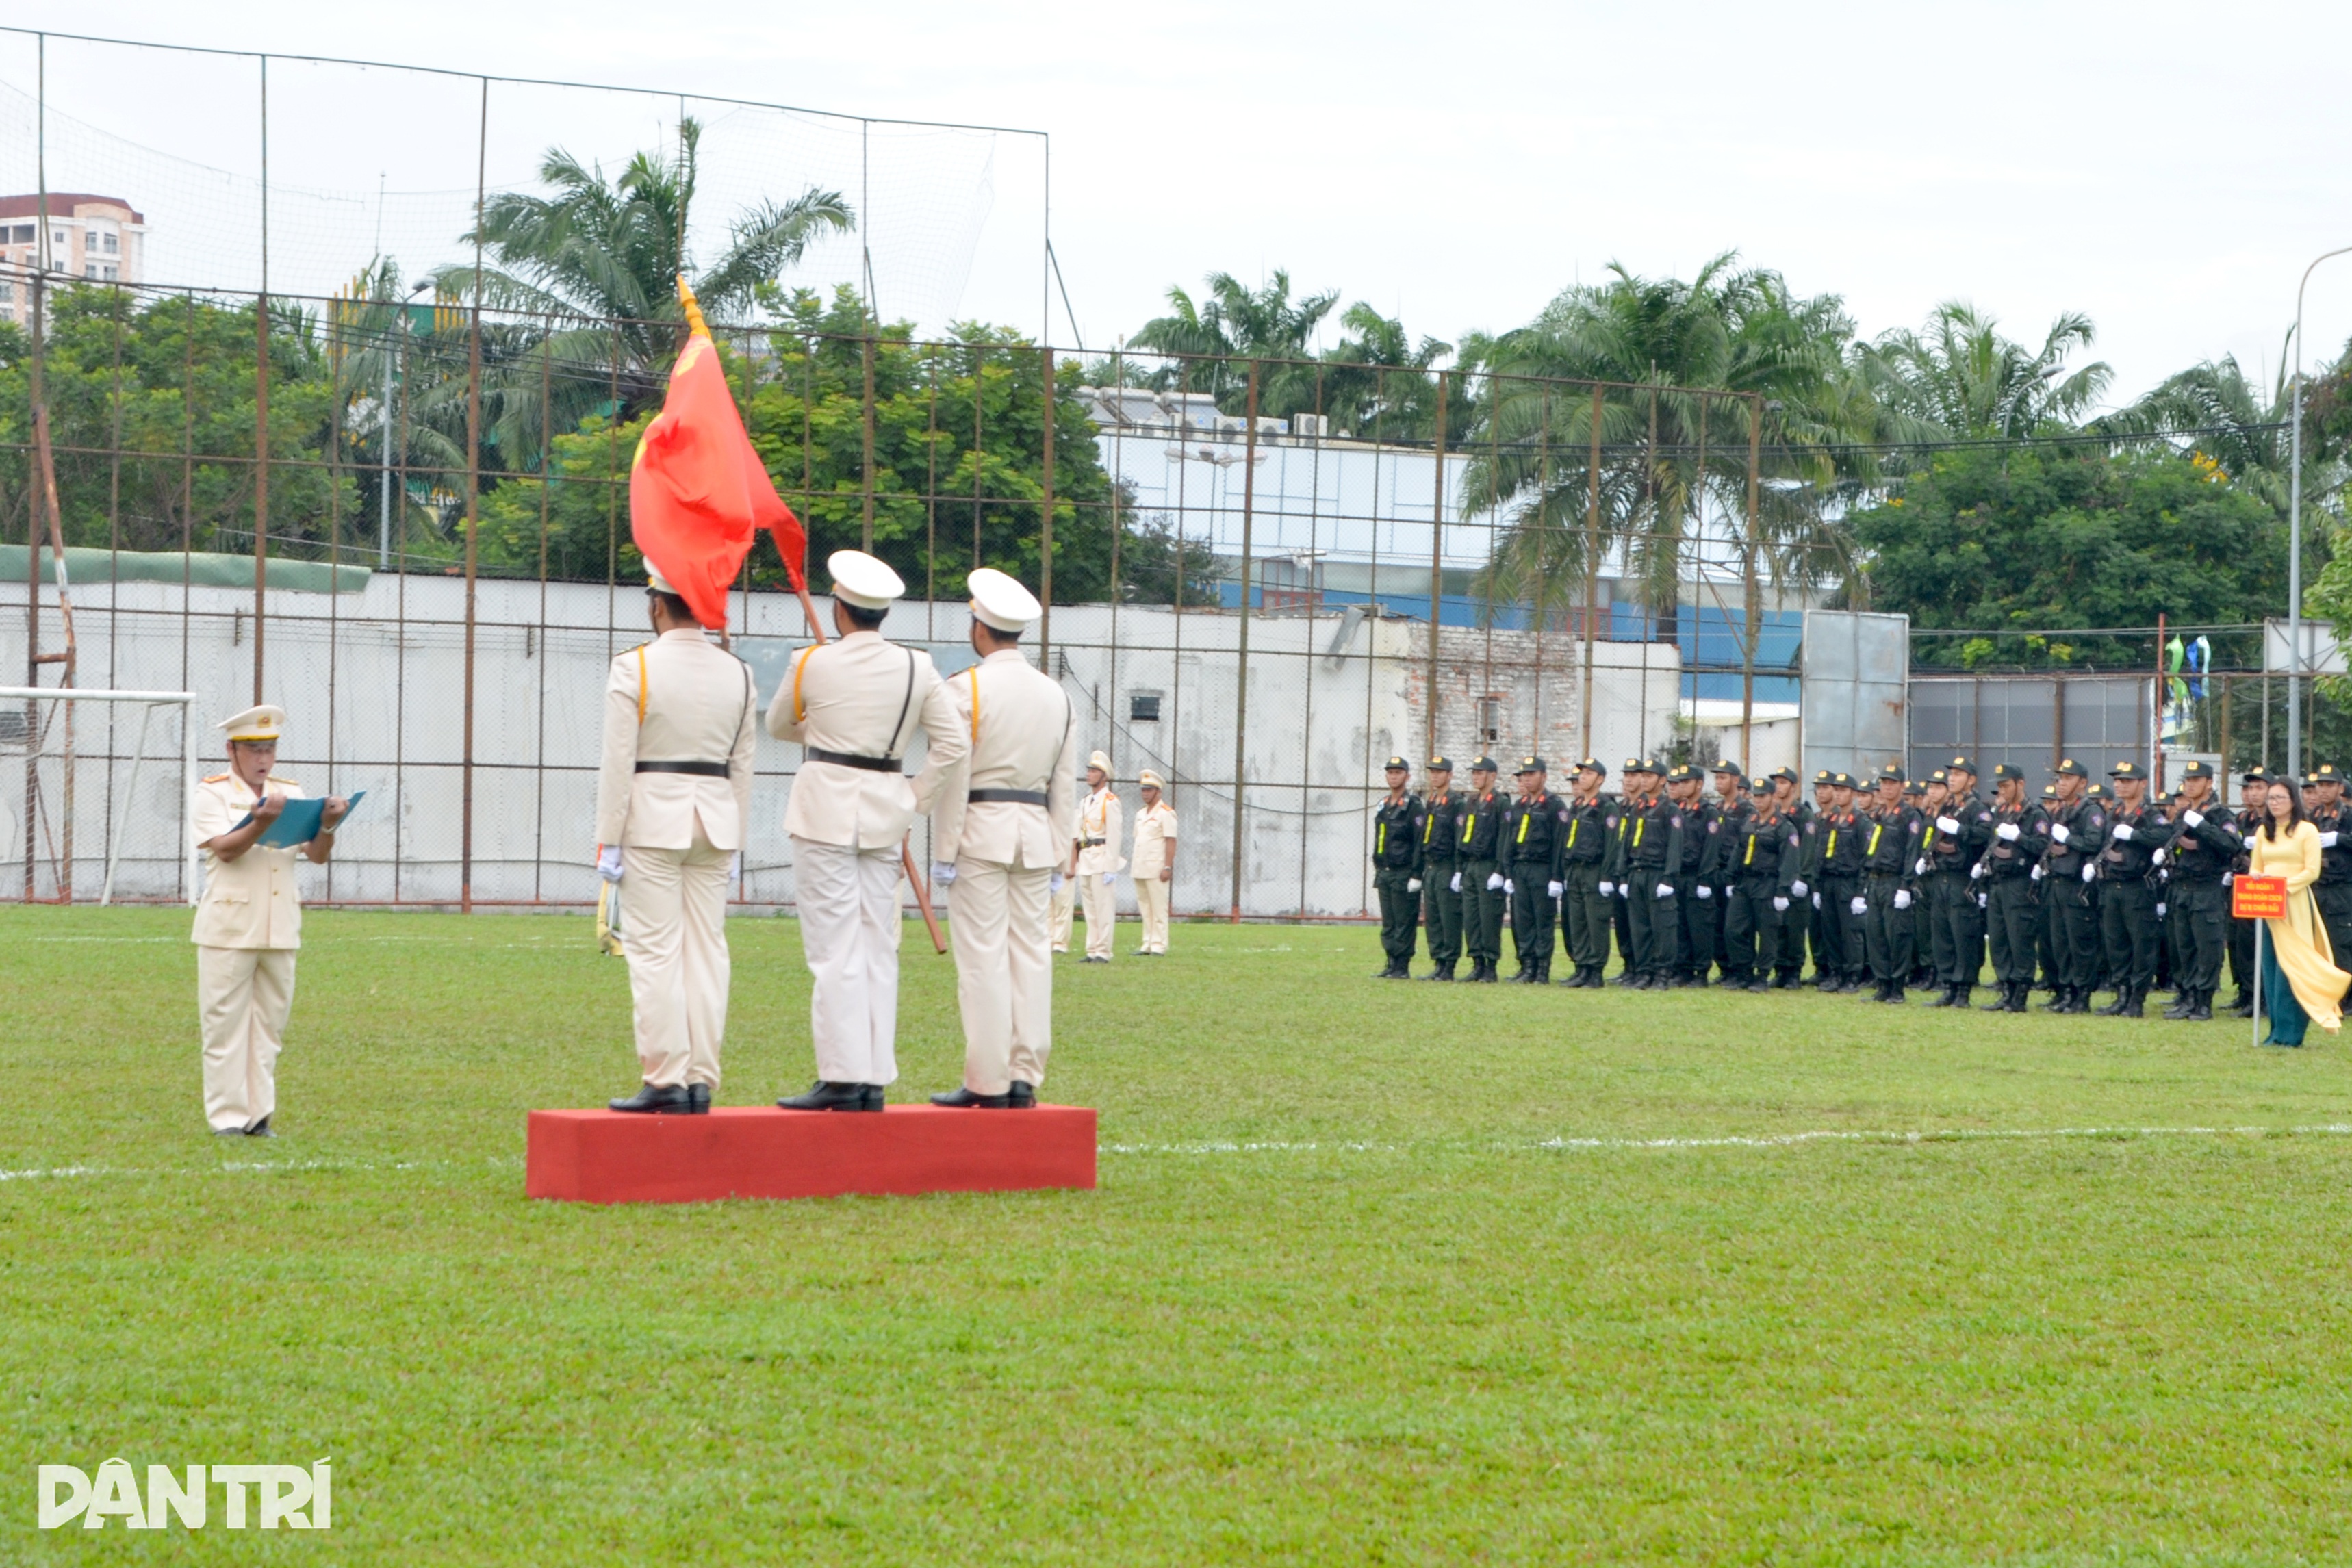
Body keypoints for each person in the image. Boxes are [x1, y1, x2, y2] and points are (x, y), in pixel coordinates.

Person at [766, 549, 967, 1111]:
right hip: (886, 809)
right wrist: (914, 795)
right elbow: (953, 744)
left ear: (839, 609)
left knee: (834, 950)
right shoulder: (917, 667)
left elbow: (778, 724)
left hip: (824, 809)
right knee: (878, 945)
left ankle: (841, 1077)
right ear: (882, 613)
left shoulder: (812, 662)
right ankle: (873, 1075)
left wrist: (822, 724)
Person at [594, 569, 760, 1114]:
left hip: (652, 819)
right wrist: (734, 835)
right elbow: (743, 764)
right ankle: (700, 1078)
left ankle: (666, 1077)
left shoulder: (634, 666)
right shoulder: (738, 671)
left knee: (655, 951)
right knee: (707, 950)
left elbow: (618, 764)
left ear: (656, 606)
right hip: (715, 820)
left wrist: (608, 839)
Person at [926, 567, 1078, 1107]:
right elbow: (1065, 781)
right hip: (1035, 836)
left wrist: (943, 851)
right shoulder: (1055, 695)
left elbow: (953, 777)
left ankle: (986, 1078)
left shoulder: (964, 687)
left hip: (981, 834)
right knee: (1032, 955)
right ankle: (1024, 1074)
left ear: (979, 627)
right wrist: (1062, 854)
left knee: (983, 958)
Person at [190, 705, 350, 1137]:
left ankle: (259, 1117)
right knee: (224, 1026)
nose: (264, 759)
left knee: (269, 1027)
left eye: (270, 750)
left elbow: (314, 855)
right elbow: (225, 849)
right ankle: (227, 1118)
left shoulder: (290, 792)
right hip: (229, 927)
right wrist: (261, 822)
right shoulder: (213, 792)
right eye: (254, 750)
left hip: (280, 925)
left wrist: (329, 826)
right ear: (233, 751)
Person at [2247, 776, 2350, 1044]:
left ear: (2293, 801)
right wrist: (2258, 879)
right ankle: (2275, 1031)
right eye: (2271, 799)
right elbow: (2256, 866)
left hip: (2294, 904)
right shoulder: (2263, 832)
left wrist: (2283, 887)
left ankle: (2291, 1034)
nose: (2275, 803)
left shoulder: (2307, 831)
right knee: (2269, 969)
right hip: (2267, 906)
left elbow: (2311, 871)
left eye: (2280, 798)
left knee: (2292, 969)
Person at [2161, 760, 2241, 1022]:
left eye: (2197, 779)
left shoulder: (2220, 815)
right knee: (2184, 946)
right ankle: (2188, 997)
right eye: (2188, 780)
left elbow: (2231, 844)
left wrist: (2203, 826)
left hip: (2207, 888)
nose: (2191, 784)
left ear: (2210, 782)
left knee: (2207, 947)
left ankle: (2204, 1002)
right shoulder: (2184, 814)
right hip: (2183, 887)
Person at [2093, 760, 2172, 1018]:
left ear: (2142, 784)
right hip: (2112, 886)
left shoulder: (2150, 814)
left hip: (2138, 887)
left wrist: (2135, 836)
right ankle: (2121, 995)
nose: (2120, 785)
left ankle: (2136, 999)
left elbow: (2165, 835)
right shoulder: (2114, 812)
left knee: (2142, 946)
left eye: (2127, 781)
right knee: (2117, 945)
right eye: (2118, 781)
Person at [2036, 759, 2106, 1014]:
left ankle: (2082, 994)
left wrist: (2070, 840)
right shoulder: (2062, 811)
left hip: (2078, 885)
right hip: (2057, 881)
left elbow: (2094, 842)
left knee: (2080, 943)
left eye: (2067, 779)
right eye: (2060, 779)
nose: (2061, 784)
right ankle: (2066, 992)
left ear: (2082, 783)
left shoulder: (2091, 811)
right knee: (2060, 942)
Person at [1611, 758, 1683, 989]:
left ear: (1662, 780)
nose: (1644, 779)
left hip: (1657, 873)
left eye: (1649, 776)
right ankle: (1644, 972)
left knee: (1662, 927)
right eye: (1642, 775)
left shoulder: (1670, 809)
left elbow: (1675, 845)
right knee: (1639, 926)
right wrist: (1623, 875)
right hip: (1636, 872)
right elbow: (1626, 843)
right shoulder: (1638, 808)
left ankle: (1662, 974)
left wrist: (1669, 877)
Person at [1724, 776, 1801, 991]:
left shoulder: (1784, 827)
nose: (1758, 801)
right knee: (1734, 929)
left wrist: (1782, 890)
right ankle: (1744, 971)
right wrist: (1731, 877)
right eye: (1755, 796)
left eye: (1762, 796)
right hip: (1746, 882)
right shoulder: (1750, 821)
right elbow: (1738, 850)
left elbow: (1790, 860)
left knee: (1768, 932)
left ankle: (1763, 974)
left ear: (1774, 797)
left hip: (1768, 883)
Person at [1859, 764, 1926, 1003]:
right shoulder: (1877, 815)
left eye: (1892, 783)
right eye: (1884, 783)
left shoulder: (1910, 815)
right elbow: (1869, 850)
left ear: (1901, 786)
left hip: (1895, 881)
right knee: (1875, 935)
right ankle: (1882, 984)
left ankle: (1897, 986)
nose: (1887, 788)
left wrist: (1906, 886)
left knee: (1897, 935)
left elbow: (1912, 852)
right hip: (1876, 880)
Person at [1502, 756, 1568, 983]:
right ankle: (1527, 966)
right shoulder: (1519, 806)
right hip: (1521, 868)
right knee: (1523, 920)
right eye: (1524, 776)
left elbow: (1559, 843)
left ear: (1544, 776)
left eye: (1531, 774)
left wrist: (1556, 877)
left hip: (1542, 869)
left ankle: (1542, 970)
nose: (1527, 779)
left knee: (1543, 921)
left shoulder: (1554, 805)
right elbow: (1510, 841)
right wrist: (1508, 873)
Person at [1559, 758, 1615, 987]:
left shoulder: (1606, 806)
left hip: (1594, 870)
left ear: (1600, 779)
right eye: (1582, 773)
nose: (1583, 777)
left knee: (1596, 922)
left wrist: (1606, 876)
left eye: (1589, 773)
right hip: (1576, 870)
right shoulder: (1577, 805)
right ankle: (1581, 967)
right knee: (1578, 921)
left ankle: (1596, 971)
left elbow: (1612, 844)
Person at [1456, 758, 1507, 984]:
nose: (1476, 776)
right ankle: (1476, 962)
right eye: (1474, 773)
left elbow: (1504, 839)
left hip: (1488, 865)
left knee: (1489, 918)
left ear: (1492, 776)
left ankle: (1490, 965)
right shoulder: (1472, 801)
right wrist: (1460, 869)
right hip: (1471, 865)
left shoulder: (1500, 802)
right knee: (1472, 918)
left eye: (1480, 773)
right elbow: (1463, 836)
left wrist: (1500, 870)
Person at [1370, 757, 1422, 979]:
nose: (1394, 776)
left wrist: (1416, 873)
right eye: (1390, 772)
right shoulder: (1384, 805)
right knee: (1389, 922)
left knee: (1404, 922)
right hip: (1385, 871)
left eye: (1398, 772)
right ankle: (1391, 963)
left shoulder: (1413, 805)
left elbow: (1420, 841)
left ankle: (1402, 966)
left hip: (1404, 872)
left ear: (1407, 776)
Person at [1071, 752, 1125, 963]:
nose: (1089, 774)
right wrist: (1074, 861)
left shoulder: (1110, 802)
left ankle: (1103, 951)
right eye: (1089, 770)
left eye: (1094, 771)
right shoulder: (1086, 801)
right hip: (1086, 857)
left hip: (1102, 857)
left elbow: (1114, 835)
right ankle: (1092, 949)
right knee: (1090, 909)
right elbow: (1078, 834)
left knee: (1103, 908)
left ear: (1104, 776)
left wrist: (1111, 866)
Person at [1416, 756, 1466, 979]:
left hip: (1446, 865)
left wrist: (1458, 870)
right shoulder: (1432, 801)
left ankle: (1449, 964)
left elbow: (1458, 838)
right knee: (1433, 918)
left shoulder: (1456, 802)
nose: (1435, 775)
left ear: (1450, 775)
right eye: (1432, 772)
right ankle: (1438, 961)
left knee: (1449, 917)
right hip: (1431, 866)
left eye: (1440, 772)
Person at [2224, 767, 2268, 1014]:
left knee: (2259, 944)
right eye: (2250, 788)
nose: (2253, 793)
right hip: (2242, 886)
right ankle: (2246, 993)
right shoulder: (2244, 819)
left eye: (2259, 787)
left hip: (2265, 889)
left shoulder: (2274, 821)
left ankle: (2262, 999)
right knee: (2240, 943)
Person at [2305, 762, 2352, 975]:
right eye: (2320, 785)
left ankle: (2347, 995)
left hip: (2341, 889)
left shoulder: (2348, 815)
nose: (2323, 790)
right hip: (2317, 886)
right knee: (2318, 944)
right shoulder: (2313, 816)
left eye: (2329, 785)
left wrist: (2340, 839)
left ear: (2340, 789)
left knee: (2341, 943)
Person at [1129, 770, 1178, 957]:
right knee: (1145, 908)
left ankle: (1159, 945)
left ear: (1158, 792)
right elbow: (1138, 839)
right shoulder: (1141, 814)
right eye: (1144, 790)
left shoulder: (1166, 813)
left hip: (1157, 868)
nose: (1145, 794)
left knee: (1159, 909)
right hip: (1140, 867)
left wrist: (1167, 866)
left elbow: (1171, 841)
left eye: (1149, 790)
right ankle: (1147, 944)